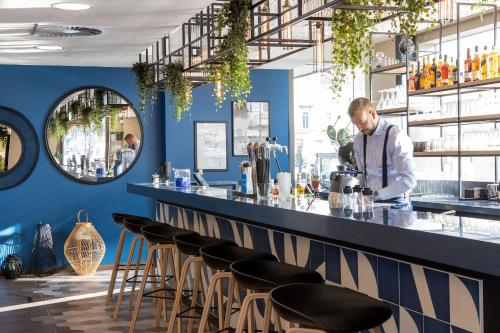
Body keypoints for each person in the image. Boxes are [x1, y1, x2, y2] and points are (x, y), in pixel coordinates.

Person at [348, 97, 416, 204]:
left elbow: (409, 180)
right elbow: (362, 174)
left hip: (396, 205)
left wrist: (377, 195)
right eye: (356, 125)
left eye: (362, 122)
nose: (360, 129)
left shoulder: (396, 137)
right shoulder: (359, 140)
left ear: (373, 113)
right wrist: (356, 194)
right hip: (370, 205)